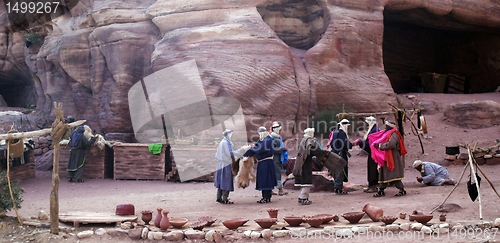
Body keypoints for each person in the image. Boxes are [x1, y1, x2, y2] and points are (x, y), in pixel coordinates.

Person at [370, 120, 408, 197]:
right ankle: (381, 190)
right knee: (383, 173)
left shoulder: (394, 134)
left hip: (393, 156)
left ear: (390, 127)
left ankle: (401, 189)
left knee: (394, 174)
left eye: (386, 126)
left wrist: (380, 146)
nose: (385, 127)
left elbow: (391, 144)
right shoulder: (387, 133)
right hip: (387, 155)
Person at [242, 126, 277, 203]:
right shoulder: (264, 139)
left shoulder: (268, 140)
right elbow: (257, 146)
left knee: (266, 180)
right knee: (264, 179)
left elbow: (259, 149)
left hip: (266, 163)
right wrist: (247, 154)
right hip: (263, 162)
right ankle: (265, 197)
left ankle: (266, 197)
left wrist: (248, 152)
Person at [214, 129, 248, 204]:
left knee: (221, 181)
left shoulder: (223, 142)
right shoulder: (226, 142)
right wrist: (241, 150)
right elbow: (230, 153)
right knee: (226, 180)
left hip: (221, 163)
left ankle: (219, 197)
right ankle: (224, 199)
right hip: (225, 164)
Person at [353, 116, 380, 193]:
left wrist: (361, 142)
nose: (366, 125)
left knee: (373, 170)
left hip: (374, 153)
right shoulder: (373, 129)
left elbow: (371, 144)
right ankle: (371, 185)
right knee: (371, 169)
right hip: (372, 153)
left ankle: (374, 186)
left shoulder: (374, 131)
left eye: (367, 123)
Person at [293, 128, 320, 205]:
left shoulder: (302, 140)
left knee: (304, 181)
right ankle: (303, 198)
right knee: (306, 181)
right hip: (306, 162)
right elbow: (312, 151)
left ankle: (303, 196)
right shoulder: (309, 141)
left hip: (301, 162)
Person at [328, 119, 352, 195]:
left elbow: (331, 143)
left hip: (334, 153)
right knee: (340, 171)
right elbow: (344, 144)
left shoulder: (335, 132)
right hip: (340, 154)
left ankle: (337, 187)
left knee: (336, 171)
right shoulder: (342, 133)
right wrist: (351, 145)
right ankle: (339, 188)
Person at [269, 122, 288, 196]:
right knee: (277, 173)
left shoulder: (277, 137)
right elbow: (272, 149)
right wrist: (282, 149)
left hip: (278, 158)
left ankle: (271, 189)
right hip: (275, 158)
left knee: (276, 173)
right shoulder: (272, 138)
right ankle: (280, 189)